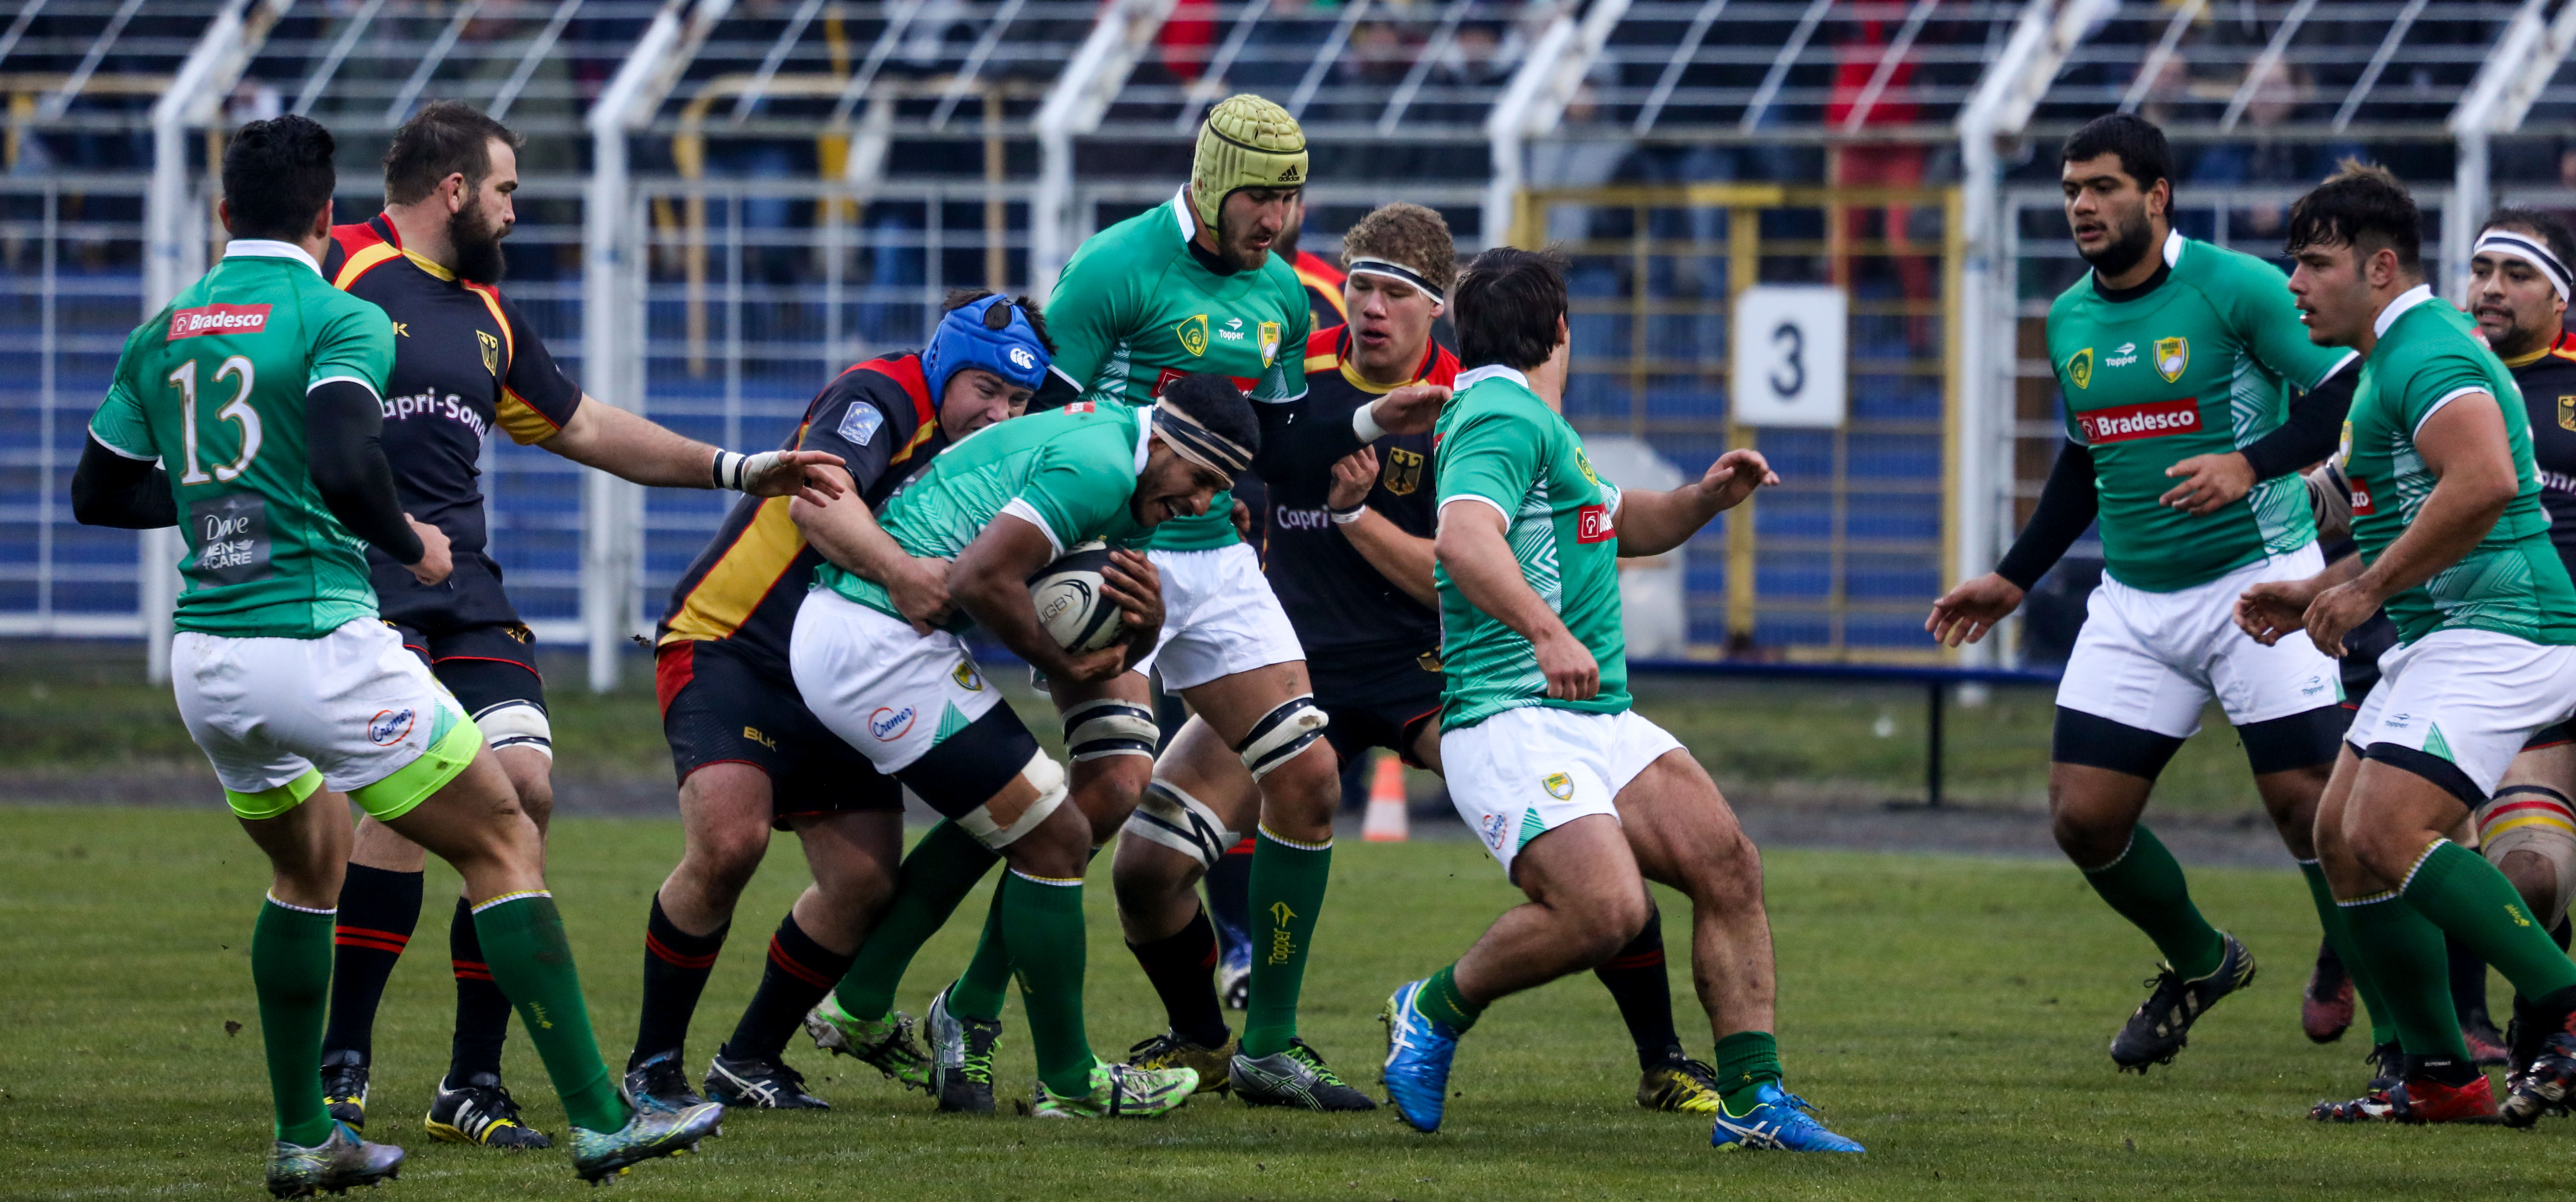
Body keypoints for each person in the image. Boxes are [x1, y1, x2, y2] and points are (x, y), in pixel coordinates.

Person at [67, 114, 723, 1194]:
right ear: (328, 217)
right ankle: (603, 1120)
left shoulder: (164, 330)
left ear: (224, 213)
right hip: (318, 640)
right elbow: (344, 458)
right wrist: (410, 540)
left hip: (208, 658)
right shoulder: (342, 315)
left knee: (306, 865)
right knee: (505, 833)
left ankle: (308, 1132)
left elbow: (98, 493)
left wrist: (219, 501)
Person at [800, 93, 1445, 1114]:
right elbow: (1053, 431)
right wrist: (1074, 570)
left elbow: (1275, 446)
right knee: (1090, 797)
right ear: (1214, 181)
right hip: (1111, 551)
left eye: (1292, 199)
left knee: (1310, 774)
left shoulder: (1281, 294)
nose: (1277, 220)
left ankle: (1268, 1043)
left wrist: (1367, 419)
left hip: (1216, 558)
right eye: (1262, 197)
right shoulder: (1113, 267)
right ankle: (956, 1003)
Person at [308, 101, 843, 1148]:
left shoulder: (489, 316)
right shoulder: (337, 267)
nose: (515, 212)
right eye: (505, 190)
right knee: (409, 790)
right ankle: (341, 1068)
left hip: (465, 589)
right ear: (455, 190)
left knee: (526, 787)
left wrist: (737, 468)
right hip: (361, 579)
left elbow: (589, 425)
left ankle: (470, 1079)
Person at [1120, 200, 1726, 1113]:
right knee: (1148, 862)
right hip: (1286, 663)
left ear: (1436, 308)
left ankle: (1663, 1056)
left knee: (1591, 844)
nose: (1372, 308)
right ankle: (1208, 1040)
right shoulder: (1289, 371)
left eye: (1395, 294)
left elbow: (1461, 574)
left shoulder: (1470, 406)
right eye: (1360, 287)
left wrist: (1355, 518)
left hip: (1432, 672)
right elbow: (1227, 470)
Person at [1375, 247, 1856, 1152]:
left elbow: (1619, 519)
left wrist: (1703, 499)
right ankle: (1430, 1009)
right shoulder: (1500, 414)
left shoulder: (1539, 423)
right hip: (1512, 714)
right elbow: (1464, 540)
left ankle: (1753, 1100)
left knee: (1727, 864)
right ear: (1562, 327)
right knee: (1605, 911)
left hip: (1595, 718)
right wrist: (1547, 632)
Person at [1924, 113, 2362, 1073]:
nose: (2082, 205)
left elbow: (2349, 388)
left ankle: (2406, 1029)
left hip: (2256, 580)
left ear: (2157, 195)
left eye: (2103, 187)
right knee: (2083, 817)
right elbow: (2084, 460)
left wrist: (2251, 463)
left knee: (2309, 808)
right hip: (2135, 600)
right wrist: (2013, 575)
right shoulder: (2069, 316)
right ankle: (2205, 961)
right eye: (2071, 190)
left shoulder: (2236, 286)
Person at [619, 292, 1051, 1113]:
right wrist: (901, 573)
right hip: (734, 642)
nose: (1000, 413)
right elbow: (816, 499)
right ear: (945, 365)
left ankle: (749, 1060)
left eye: (1019, 400)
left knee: (861, 882)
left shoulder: (1000, 456)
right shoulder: (881, 392)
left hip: (850, 670)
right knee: (730, 841)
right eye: (987, 389)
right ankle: (653, 1065)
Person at [790, 370, 1260, 1118]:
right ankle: (1071, 1081)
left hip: (889, 640)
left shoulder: (1135, 477)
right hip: (872, 641)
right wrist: (1060, 662)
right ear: (1166, 442)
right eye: (1201, 479)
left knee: (1019, 817)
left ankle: (860, 1002)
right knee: (1056, 837)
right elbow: (983, 577)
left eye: (1219, 489)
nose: (1203, 503)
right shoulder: (1101, 464)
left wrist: (1146, 623)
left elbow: (1113, 612)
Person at [2246, 177, 2576, 1124]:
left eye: (2315, 263)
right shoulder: (2391, 359)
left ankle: (2563, 1008)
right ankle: (2438, 1073)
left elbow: (2485, 482)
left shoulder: (2429, 352)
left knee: (2391, 828)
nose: (2295, 283)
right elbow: (2406, 511)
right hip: (2451, 632)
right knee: (2343, 840)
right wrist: (2317, 586)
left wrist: (2362, 592)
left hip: (2509, 627)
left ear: (2380, 266)